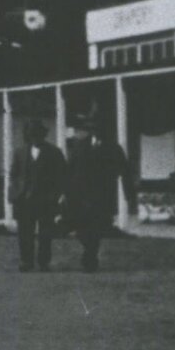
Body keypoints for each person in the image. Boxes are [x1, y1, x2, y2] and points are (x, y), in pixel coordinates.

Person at [62, 115, 139, 273]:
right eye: (93, 128)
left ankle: (90, 256)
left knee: (95, 228)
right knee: (81, 228)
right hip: (80, 195)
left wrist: (129, 194)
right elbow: (69, 169)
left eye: (99, 128)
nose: (96, 131)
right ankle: (89, 250)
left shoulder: (113, 148)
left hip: (101, 196)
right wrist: (64, 191)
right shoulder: (79, 145)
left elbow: (124, 171)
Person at [10, 119, 66, 272]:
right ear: (28, 136)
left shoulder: (54, 152)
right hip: (24, 200)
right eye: (32, 135)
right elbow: (14, 175)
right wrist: (15, 193)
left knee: (45, 233)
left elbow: (61, 176)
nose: (35, 138)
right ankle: (26, 261)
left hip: (45, 200)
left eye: (38, 135)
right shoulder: (20, 152)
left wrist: (56, 196)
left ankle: (43, 261)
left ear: (43, 136)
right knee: (24, 233)